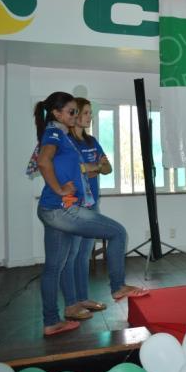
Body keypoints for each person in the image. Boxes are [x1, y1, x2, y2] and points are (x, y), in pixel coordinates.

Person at [34, 92, 147, 337]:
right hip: (60, 208)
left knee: (54, 267)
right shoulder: (55, 133)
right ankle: (118, 286)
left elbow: (94, 167)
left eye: (77, 111)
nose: (75, 115)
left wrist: (79, 175)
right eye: (71, 111)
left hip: (54, 208)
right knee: (118, 233)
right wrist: (59, 189)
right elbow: (43, 162)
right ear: (56, 113)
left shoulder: (63, 135)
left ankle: (51, 321)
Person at [60, 98, 112, 321]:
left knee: (83, 256)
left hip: (92, 204)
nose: (90, 116)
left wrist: (93, 167)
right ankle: (71, 304)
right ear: (76, 115)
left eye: (91, 113)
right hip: (74, 205)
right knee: (70, 256)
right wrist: (90, 167)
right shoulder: (66, 141)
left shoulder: (92, 141)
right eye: (87, 112)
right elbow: (73, 169)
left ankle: (83, 299)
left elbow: (108, 168)